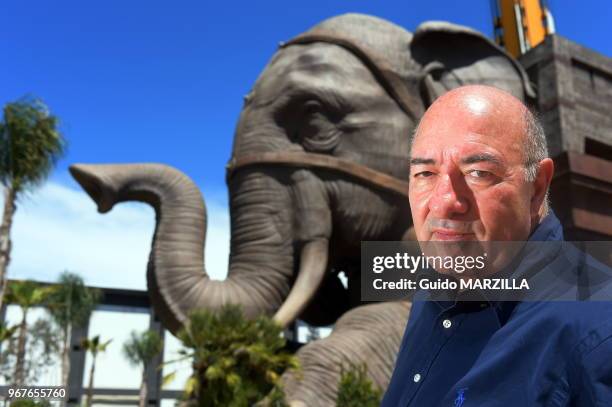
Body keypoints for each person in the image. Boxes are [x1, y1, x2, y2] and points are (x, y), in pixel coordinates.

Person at [381, 85, 612, 406]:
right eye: (425, 173)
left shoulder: (598, 334)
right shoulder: (433, 292)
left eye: (478, 173)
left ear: (537, 186)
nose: (443, 202)